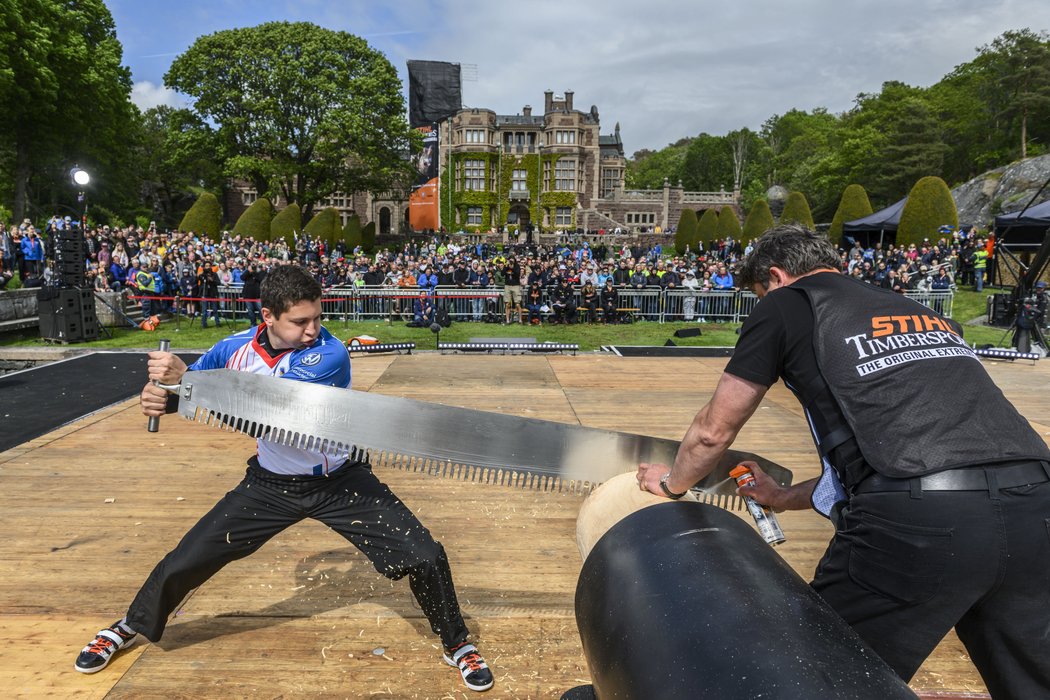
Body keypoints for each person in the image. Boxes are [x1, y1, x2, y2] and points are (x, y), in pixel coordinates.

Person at [637, 224, 1050, 698]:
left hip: (920, 524)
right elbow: (907, 459)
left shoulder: (788, 303)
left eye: (759, 294)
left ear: (775, 277)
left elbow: (714, 430)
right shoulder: (915, 309)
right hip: (1037, 506)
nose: (762, 304)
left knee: (810, 673)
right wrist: (777, 496)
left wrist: (670, 484)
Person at [73, 265, 494, 693]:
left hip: (341, 481)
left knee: (424, 553)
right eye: (300, 321)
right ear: (268, 316)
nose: (313, 329)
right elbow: (193, 390)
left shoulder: (329, 355)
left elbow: (273, 414)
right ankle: (129, 625)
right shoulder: (231, 348)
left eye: (317, 318)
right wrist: (165, 397)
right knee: (187, 558)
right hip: (272, 484)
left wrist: (187, 386)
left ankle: (457, 643)